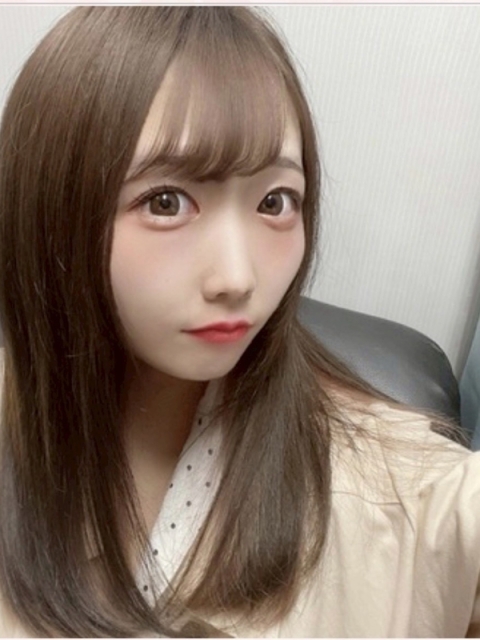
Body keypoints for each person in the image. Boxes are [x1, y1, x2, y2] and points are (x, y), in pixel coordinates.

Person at [0, 6, 479, 638]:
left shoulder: (398, 488)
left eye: (275, 202)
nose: (238, 277)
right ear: (49, 210)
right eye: (165, 202)